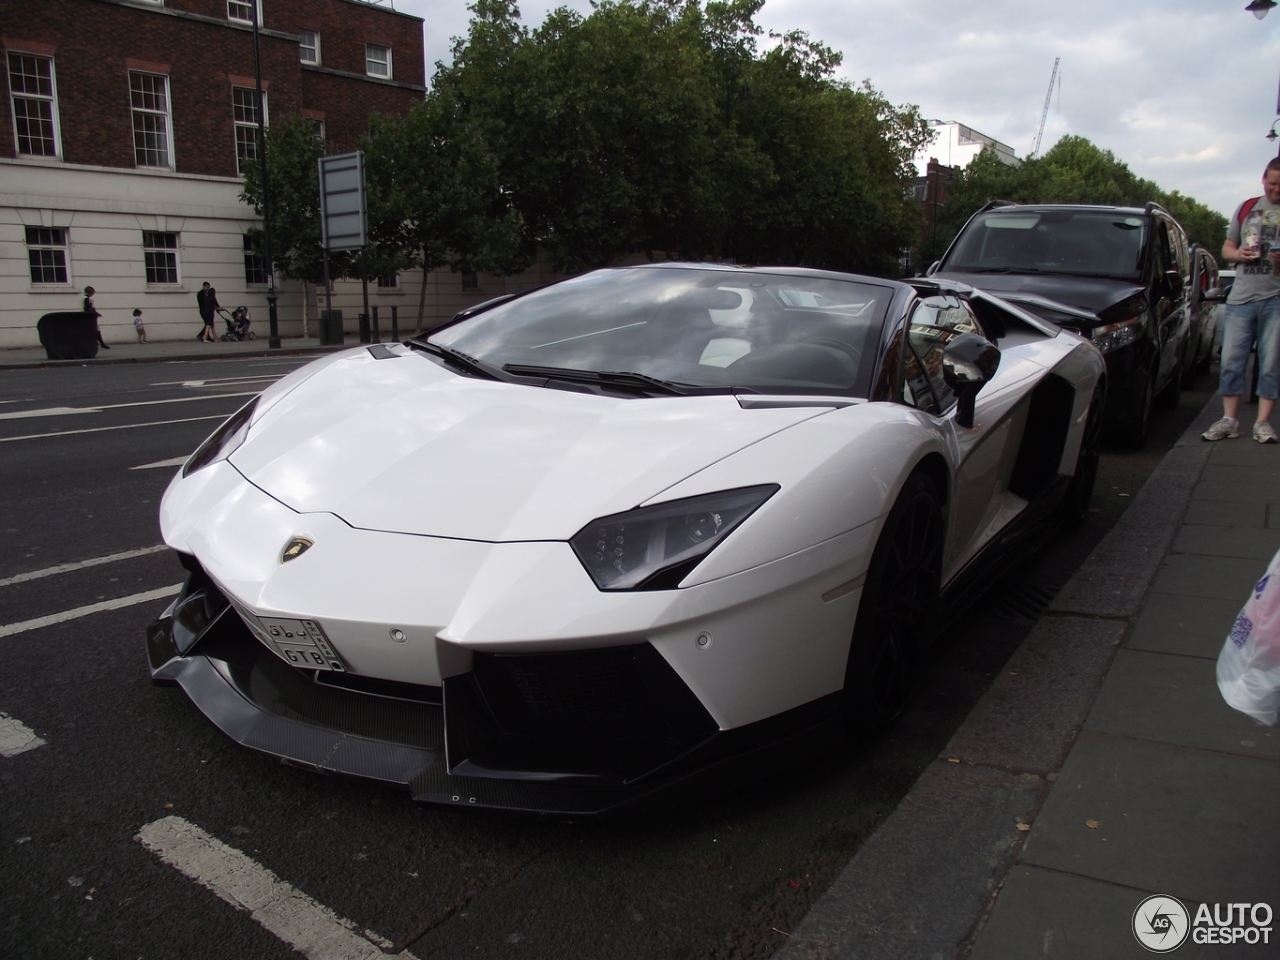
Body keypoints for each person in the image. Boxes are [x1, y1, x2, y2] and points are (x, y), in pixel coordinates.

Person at [1204, 157, 1280, 443]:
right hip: (1241, 297)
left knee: (1271, 363)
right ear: (1263, 179)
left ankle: (1262, 423)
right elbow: (1228, 247)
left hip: (1276, 297)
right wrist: (1239, 255)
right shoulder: (1248, 208)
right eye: (1272, 183)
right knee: (1231, 361)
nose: (1276, 189)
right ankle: (1229, 420)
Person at [82, 285, 109, 349]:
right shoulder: (86, 298)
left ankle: (101, 344)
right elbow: (87, 308)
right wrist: (91, 303)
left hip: (88, 316)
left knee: (95, 331)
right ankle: (101, 344)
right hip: (89, 317)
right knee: (96, 331)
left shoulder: (84, 298)